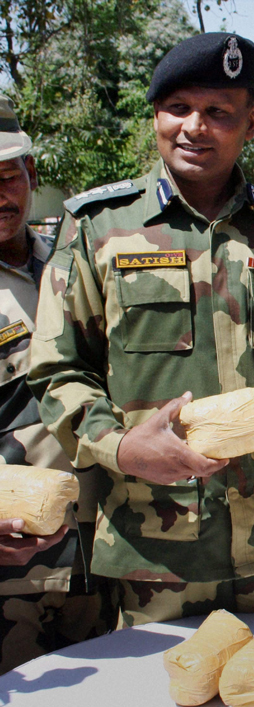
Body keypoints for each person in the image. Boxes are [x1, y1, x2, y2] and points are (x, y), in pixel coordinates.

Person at [29, 33, 254, 627]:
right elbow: (58, 369)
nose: (195, 127)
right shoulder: (98, 229)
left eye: (218, 112)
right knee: (162, 706)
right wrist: (119, 446)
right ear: (156, 118)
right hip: (156, 546)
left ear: (251, 121)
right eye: (179, 109)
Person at [0, 96, 115, 672]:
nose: (0, 196)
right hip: (11, 570)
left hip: (97, 554)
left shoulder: (71, 264)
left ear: (31, 175)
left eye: (7, 175)